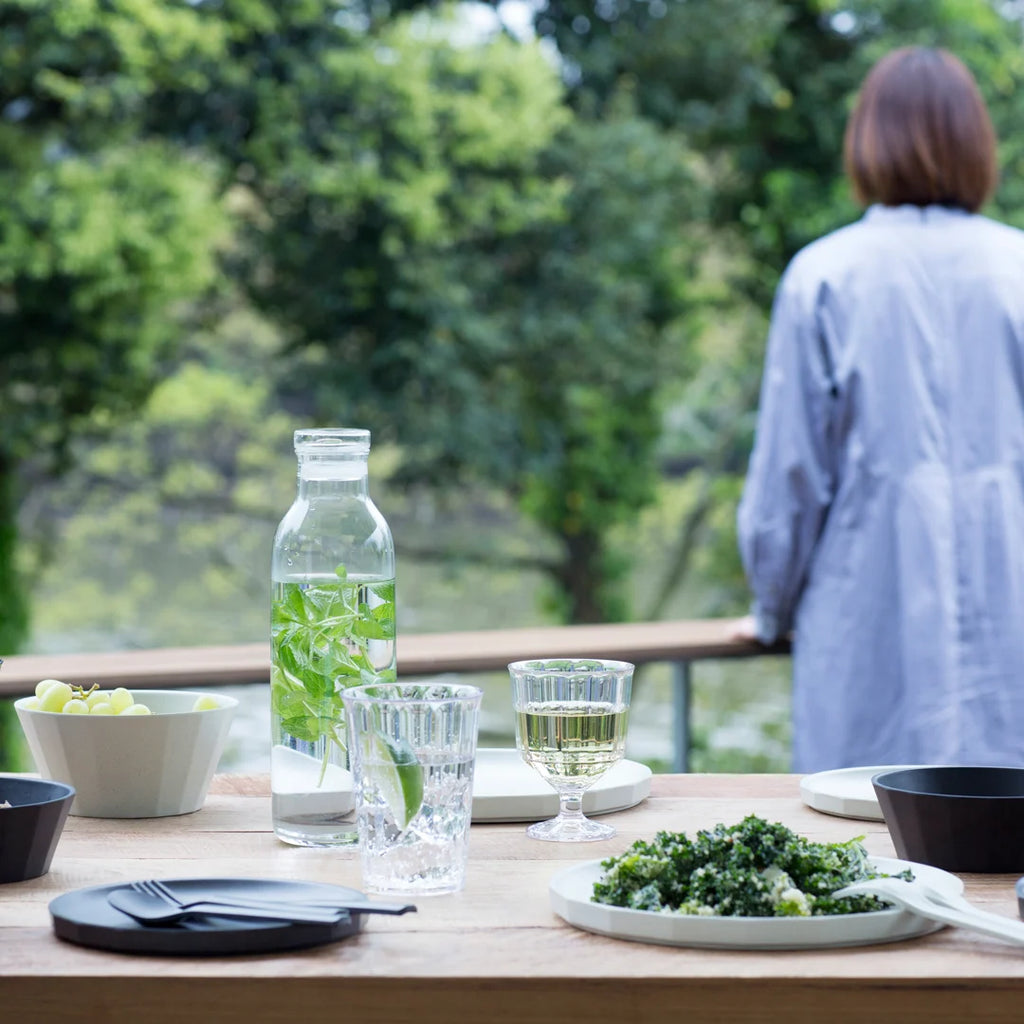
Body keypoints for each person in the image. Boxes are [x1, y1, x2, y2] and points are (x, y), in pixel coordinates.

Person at [735, 46, 1024, 773]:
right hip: (1011, 623)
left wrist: (771, 610)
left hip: (867, 628)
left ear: (866, 141)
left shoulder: (825, 277)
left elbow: (788, 485)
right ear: (978, 147)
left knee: (864, 849)